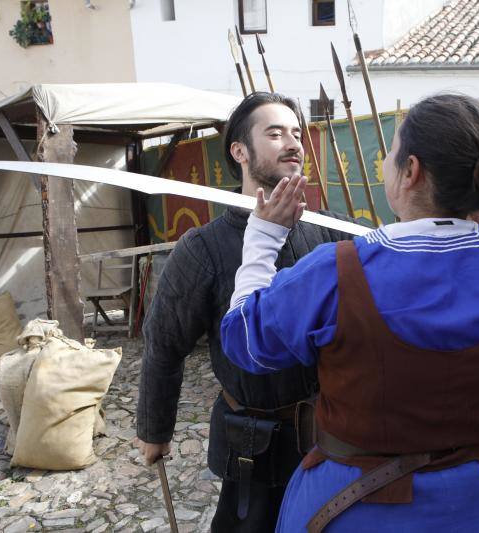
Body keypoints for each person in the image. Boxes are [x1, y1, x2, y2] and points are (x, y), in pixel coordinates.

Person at [220, 93, 479, 532]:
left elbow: (243, 341)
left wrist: (264, 237)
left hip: (367, 509)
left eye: (391, 152)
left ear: (411, 171)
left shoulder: (336, 272)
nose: (385, 163)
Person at [135, 91, 352, 532]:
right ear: (239, 152)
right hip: (253, 442)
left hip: (330, 436)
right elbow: (164, 344)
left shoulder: (329, 233)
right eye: (274, 133)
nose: (293, 143)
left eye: (296, 133)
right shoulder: (204, 248)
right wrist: (155, 430)